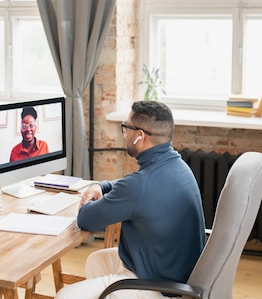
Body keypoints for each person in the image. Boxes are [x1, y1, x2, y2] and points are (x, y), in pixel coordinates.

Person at [56, 101, 206, 299]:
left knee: (65, 296)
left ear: (140, 136)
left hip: (159, 286)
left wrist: (93, 200)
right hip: (176, 271)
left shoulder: (139, 185)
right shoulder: (178, 167)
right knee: (96, 261)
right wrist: (100, 186)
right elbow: (131, 187)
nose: (124, 134)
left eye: (126, 128)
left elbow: (86, 219)